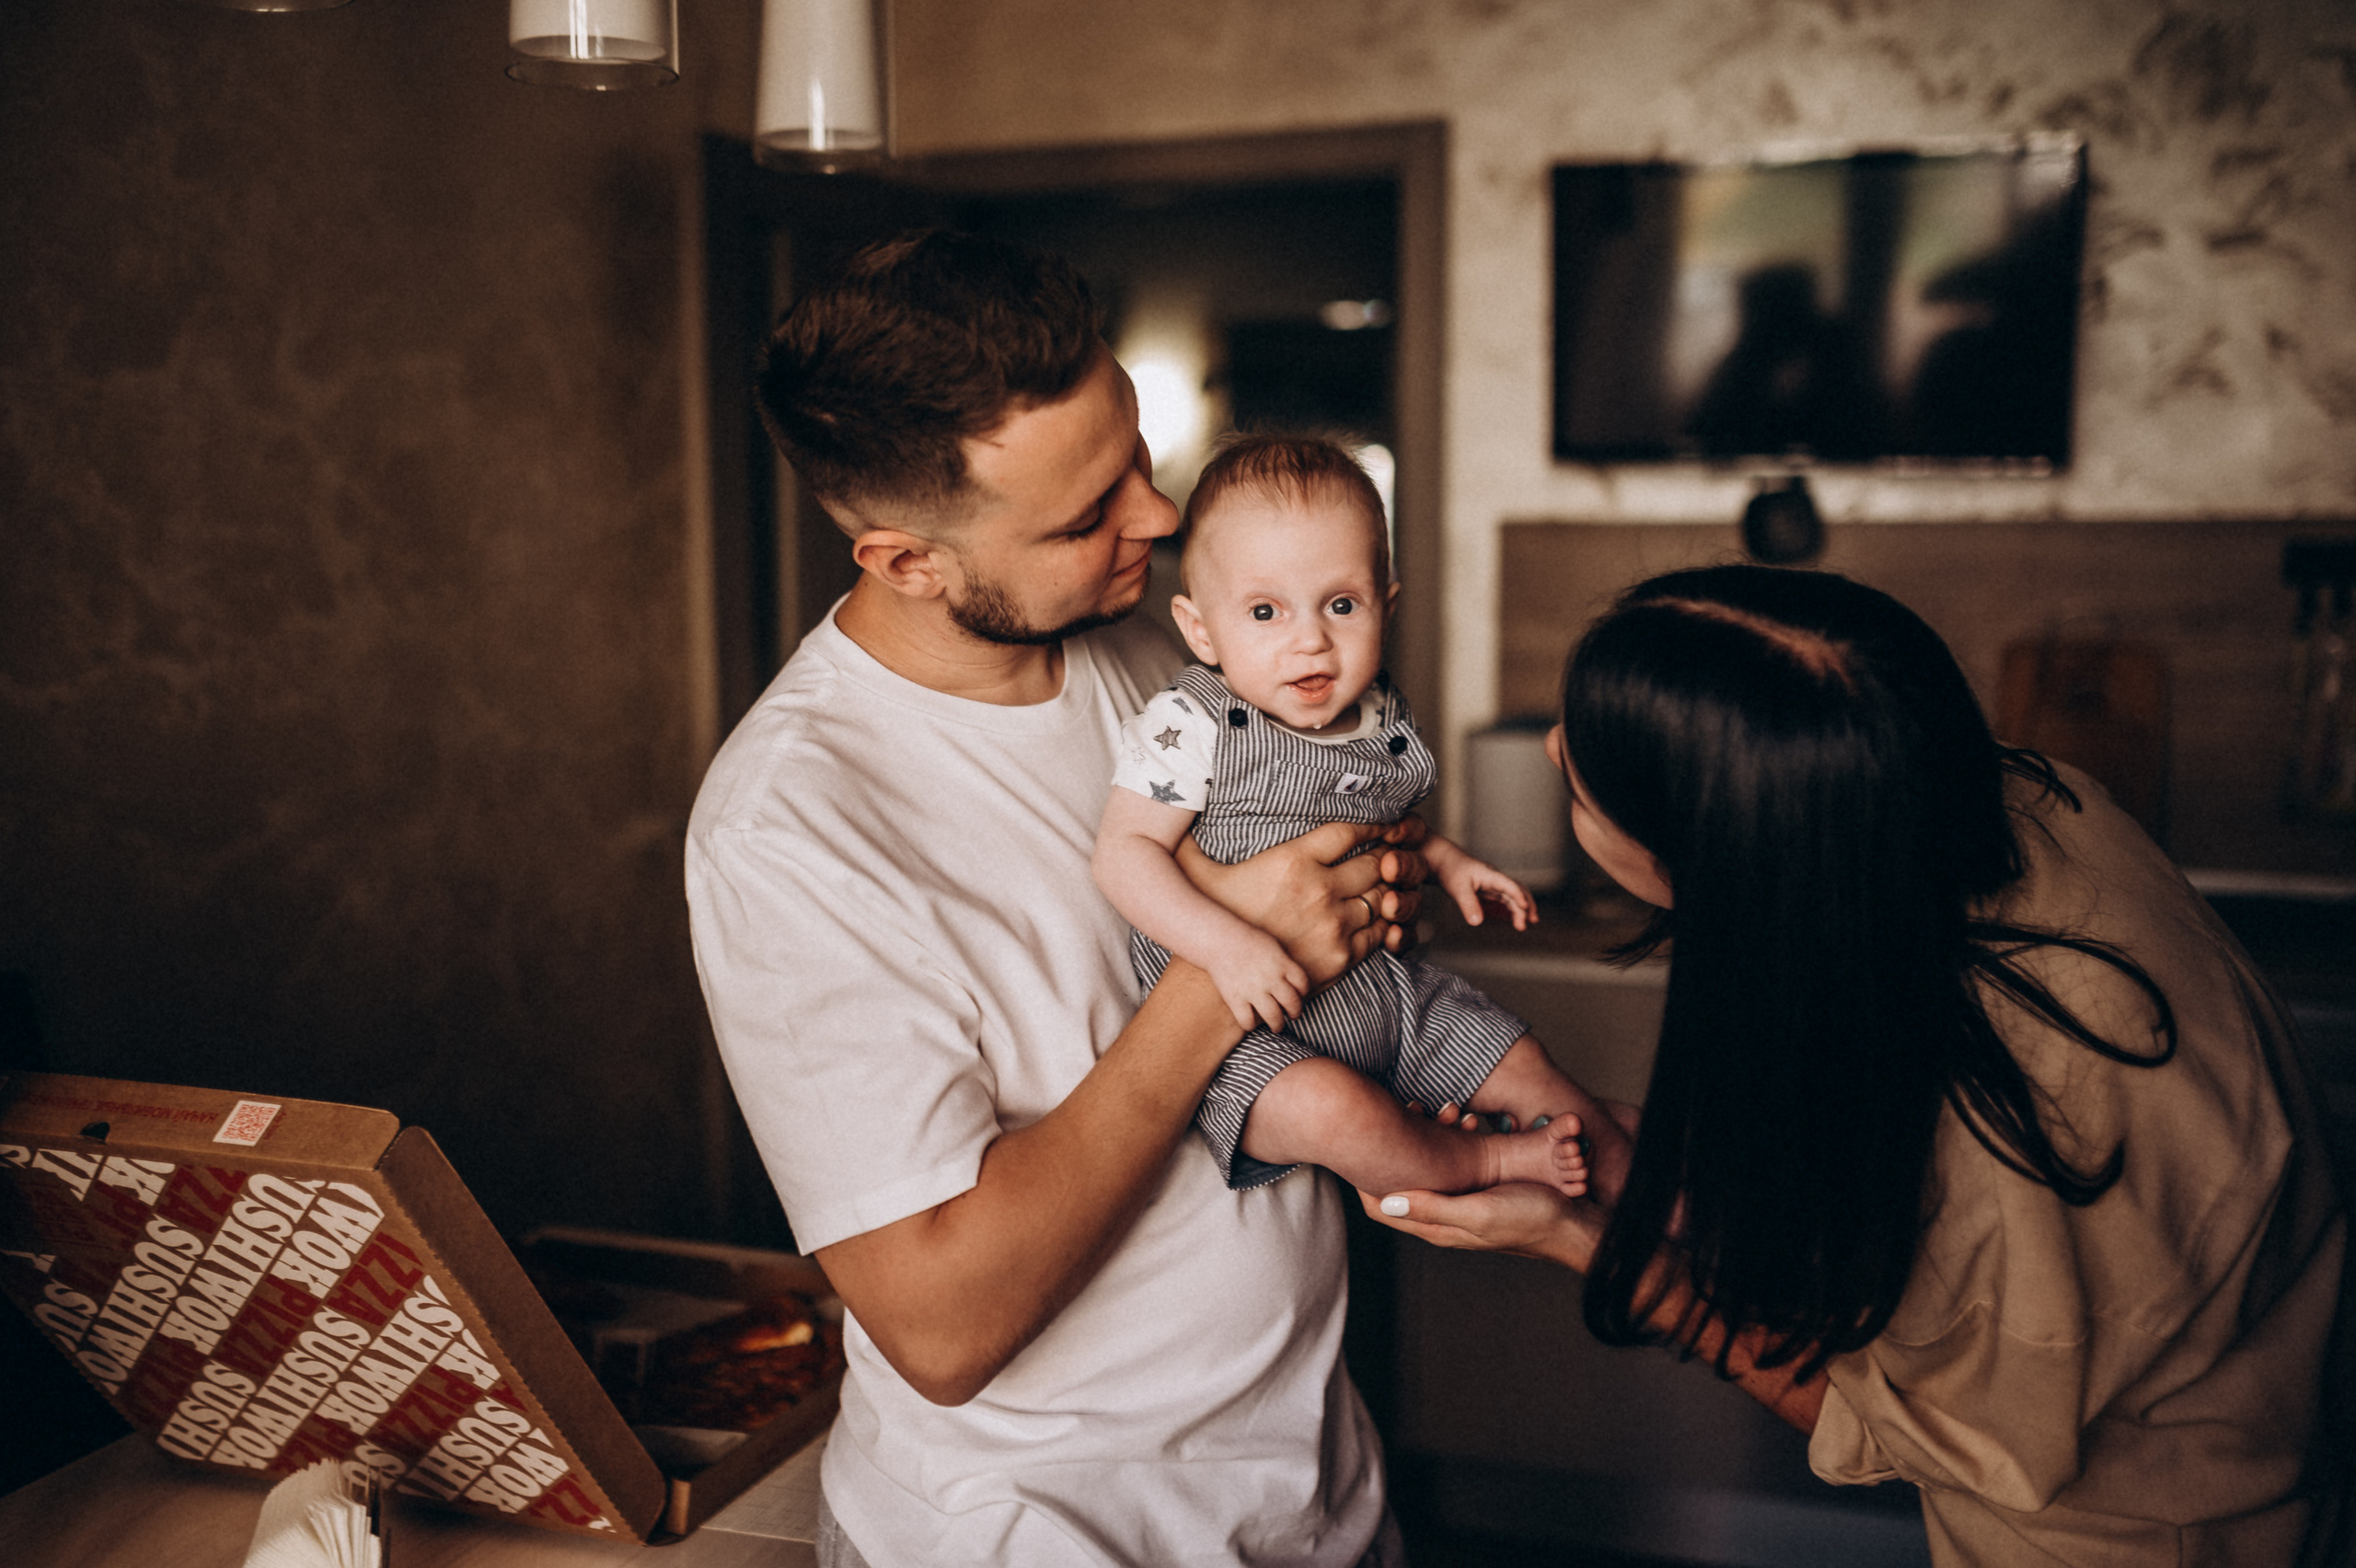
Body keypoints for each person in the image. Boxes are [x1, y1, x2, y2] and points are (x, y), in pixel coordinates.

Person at [685, 230, 1432, 1568]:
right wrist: (1225, 972)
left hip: (1315, 1487)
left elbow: (1350, 912)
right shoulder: (791, 827)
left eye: (1137, 459)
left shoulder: (1161, 636)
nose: (1155, 518)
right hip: (1041, 1535)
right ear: (905, 560)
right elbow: (942, 1327)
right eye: (1089, 515)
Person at [1369, 565, 2351, 1566]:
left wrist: (1587, 1243)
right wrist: (1631, 1165)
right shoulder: (2018, 803)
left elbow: (1901, 1424)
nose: (1551, 750)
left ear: (1710, 859)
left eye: (1582, 785)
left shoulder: (2028, 1120)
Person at [1093, 433, 1592, 1199]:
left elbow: (1394, 828)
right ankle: (1491, 1161)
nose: (1310, 640)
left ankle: (1647, 1214)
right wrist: (1226, 948)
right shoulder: (1191, 724)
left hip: (1389, 995)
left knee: (1528, 1065)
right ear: (1201, 630)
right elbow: (1124, 855)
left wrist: (1454, 864)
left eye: (1341, 604)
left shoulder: (1379, 714)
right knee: (1346, 1122)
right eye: (1265, 611)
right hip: (1258, 1037)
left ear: (1384, 607)